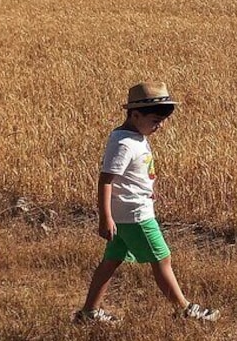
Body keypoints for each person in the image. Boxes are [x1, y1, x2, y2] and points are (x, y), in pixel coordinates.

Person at [74, 82, 219, 323]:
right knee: (162, 258)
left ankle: (89, 312)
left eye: (162, 121)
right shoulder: (124, 143)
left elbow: (134, 173)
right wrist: (105, 217)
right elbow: (106, 179)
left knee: (111, 260)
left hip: (130, 211)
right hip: (134, 215)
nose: (159, 126)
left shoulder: (135, 136)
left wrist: (148, 190)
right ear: (135, 115)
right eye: (154, 120)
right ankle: (185, 310)